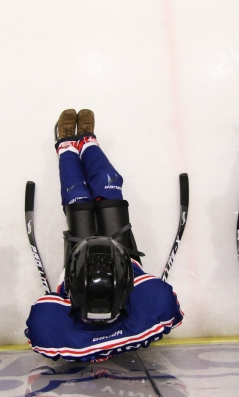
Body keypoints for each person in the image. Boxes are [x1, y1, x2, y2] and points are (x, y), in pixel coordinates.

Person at [25, 109, 184, 362]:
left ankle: (65, 145)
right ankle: (87, 141)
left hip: (81, 263)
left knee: (79, 199)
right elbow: (162, 298)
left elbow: (44, 315)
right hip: (121, 261)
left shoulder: (51, 334)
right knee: (109, 190)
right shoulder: (155, 307)